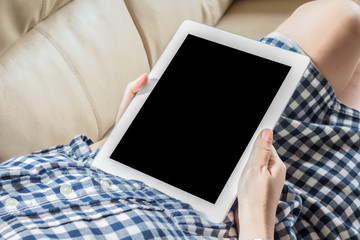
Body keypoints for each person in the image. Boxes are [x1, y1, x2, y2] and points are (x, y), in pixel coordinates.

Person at [1, 0, 360, 239]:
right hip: (246, 224)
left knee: (341, 18)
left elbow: (54, 166)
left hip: (153, 164)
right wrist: (257, 216)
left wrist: (117, 139)